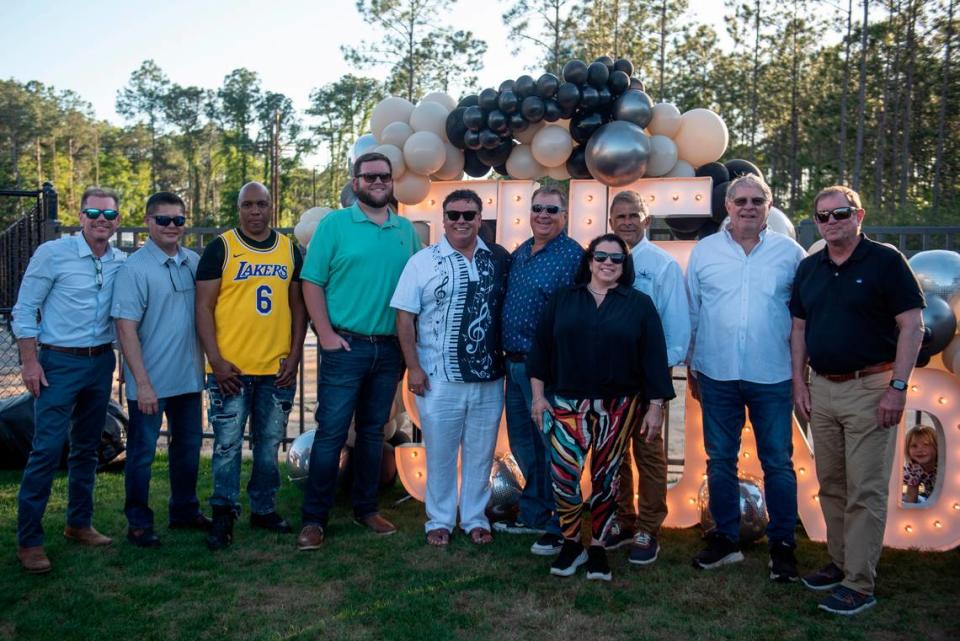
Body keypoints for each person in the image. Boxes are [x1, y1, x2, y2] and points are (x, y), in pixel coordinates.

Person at [791, 184, 924, 615]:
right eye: (823, 216)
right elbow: (798, 330)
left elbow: (913, 327)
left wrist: (898, 387)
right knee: (831, 485)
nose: (832, 222)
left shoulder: (886, 262)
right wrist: (799, 382)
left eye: (840, 213)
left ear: (859, 215)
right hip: (822, 388)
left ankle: (860, 584)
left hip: (873, 389)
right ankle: (839, 561)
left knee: (864, 490)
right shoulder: (810, 269)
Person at [527, 233, 673, 580]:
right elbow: (541, 351)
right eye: (601, 256)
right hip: (566, 404)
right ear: (589, 261)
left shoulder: (639, 304)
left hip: (618, 407)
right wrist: (537, 397)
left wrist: (654, 407)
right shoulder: (564, 299)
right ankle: (572, 542)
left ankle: (599, 549)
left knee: (607, 481)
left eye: (616, 259)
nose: (608, 263)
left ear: (625, 265)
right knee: (563, 477)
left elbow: (654, 359)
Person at [297, 152, 420, 550]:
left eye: (385, 176)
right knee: (331, 433)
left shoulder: (405, 231)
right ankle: (314, 519)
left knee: (372, 433)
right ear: (356, 182)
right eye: (370, 176)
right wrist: (326, 334)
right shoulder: (335, 224)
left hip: (389, 350)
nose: (378, 181)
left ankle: (365, 508)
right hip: (345, 346)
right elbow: (311, 282)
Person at [686, 174, 807, 580]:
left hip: (772, 374)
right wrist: (692, 364)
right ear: (728, 206)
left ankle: (783, 545)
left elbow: (801, 318)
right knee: (720, 460)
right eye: (741, 200)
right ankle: (725, 539)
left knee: (778, 461)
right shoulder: (704, 253)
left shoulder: (791, 254)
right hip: (716, 371)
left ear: (769, 207)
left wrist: (798, 371)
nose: (748, 207)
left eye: (757, 200)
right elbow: (693, 311)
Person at [12, 187, 126, 573]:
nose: (101, 220)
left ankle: (79, 523)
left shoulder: (120, 263)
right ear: (81, 216)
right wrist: (30, 363)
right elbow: (24, 310)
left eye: (109, 215)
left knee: (86, 448)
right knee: (45, 450)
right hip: (58, 362)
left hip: (99, 362)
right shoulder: (53, 254)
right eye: (93, 212)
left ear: (117, 221)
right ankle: (29, 540)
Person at [391, 189, 510, 546]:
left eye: (469, 214)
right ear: (443, 219)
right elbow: (404, 318)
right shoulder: (422, 262)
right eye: (454, 214)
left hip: (489, 378)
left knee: (481, 451)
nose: (461, 221)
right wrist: (413, 367)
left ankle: (475, 518)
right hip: (438, 377)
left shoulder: (499, 259)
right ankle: (439, 520)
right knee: (441, 453)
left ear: (480, 219)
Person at [196, 181, 306, 550]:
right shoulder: (221, 247)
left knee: (268, 443)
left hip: (276, 369)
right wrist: (215, 360)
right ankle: (223, 513)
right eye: (248, 205)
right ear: (238, 208)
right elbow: (204, 308)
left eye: (261, 204)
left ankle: (263, 508)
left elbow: (298, 308)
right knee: (226, 445)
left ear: (272, 206)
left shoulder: (289, 249)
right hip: (231, 371)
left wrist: (293, 356)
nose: (255, 212)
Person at [112, 192, 208, 548]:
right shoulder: (134, 269)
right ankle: (138, 522)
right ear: (149, 222)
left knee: (188, 448)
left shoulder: (193, 262)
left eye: (179, 220)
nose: (172, 227)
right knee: (141, 454)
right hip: (150, 382)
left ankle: (184, 510)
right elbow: (126, 329)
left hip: (188, 379)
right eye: (164, 220)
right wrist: (142, 383)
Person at [496, 185, 584, 556]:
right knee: (524, 445)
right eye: (537, 209)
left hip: (544, 369)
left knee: (552, 448)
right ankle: (533, 512)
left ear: (565, 215)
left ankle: (558, 522)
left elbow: (574, 316)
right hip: (512, 363)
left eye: (551, 209)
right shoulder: (522, 252)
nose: (543, 215)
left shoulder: (572, 256)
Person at [604, 190, 690, 565]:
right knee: (614, 451)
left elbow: (677, 326)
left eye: (633, 215)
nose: (626, 221)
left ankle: (649, 527)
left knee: (649, 451)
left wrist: (656, 374)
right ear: (610, 222)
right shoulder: (603, 261)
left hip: (648, 374)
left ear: (647, 220)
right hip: (608, 374)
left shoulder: (662, 265)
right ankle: (624, 519)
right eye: (619, 216)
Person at [902, 426, 938, 504]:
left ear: (937, 446)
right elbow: (911, 496)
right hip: (932, 504)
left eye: (926, 444)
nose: (920, 449)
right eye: (914, 446)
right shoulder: (913, 467)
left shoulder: (945, 464)